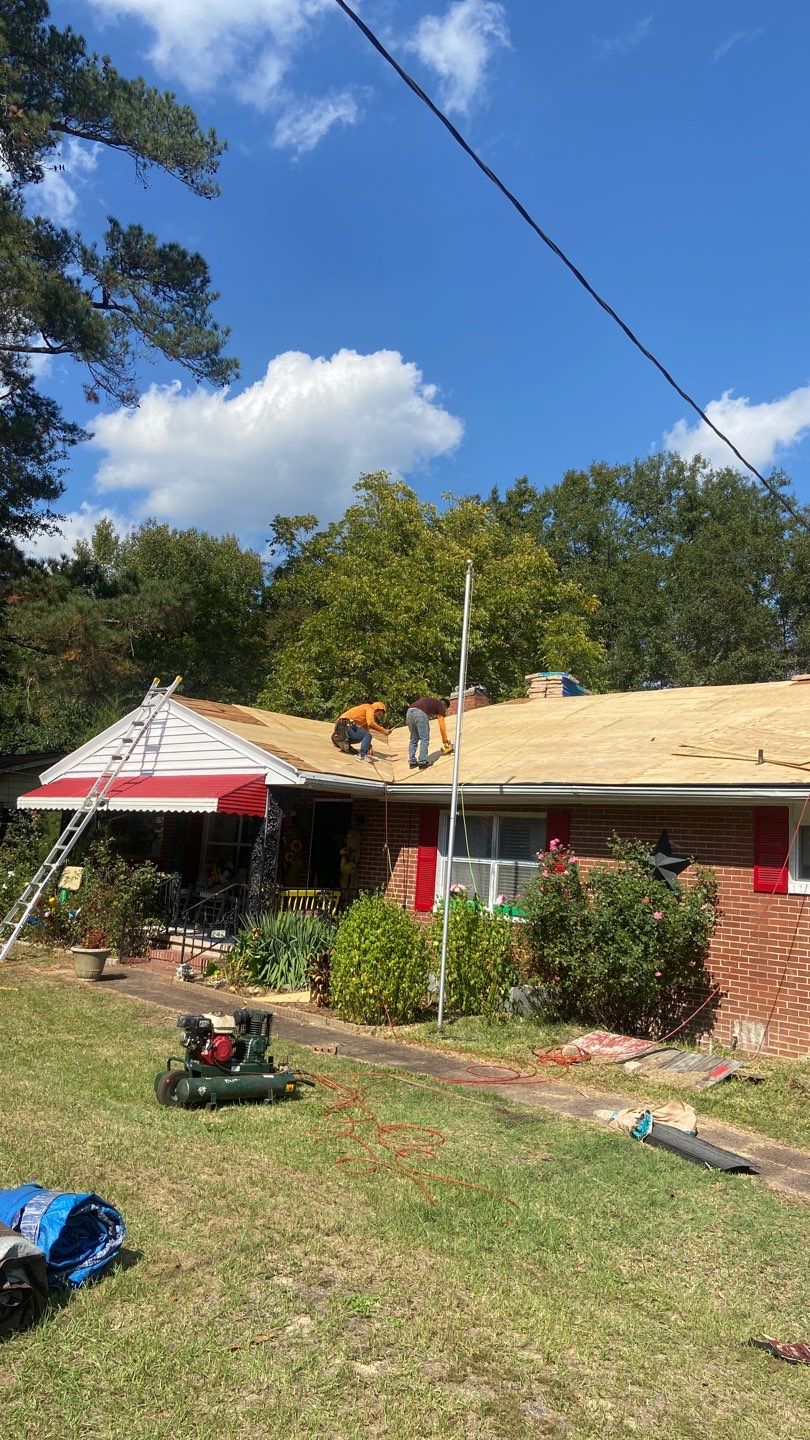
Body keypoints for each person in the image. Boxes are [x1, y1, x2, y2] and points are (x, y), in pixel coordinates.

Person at [405, 696, 453, 769]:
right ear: (446, 706)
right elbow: (441, 724)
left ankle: (412, 763)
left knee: (413, 739)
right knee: (424, 739)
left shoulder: (433, 701)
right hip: (420, 713)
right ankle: (422, 762)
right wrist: (445, 739)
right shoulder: (441, 706)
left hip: (409, 712)